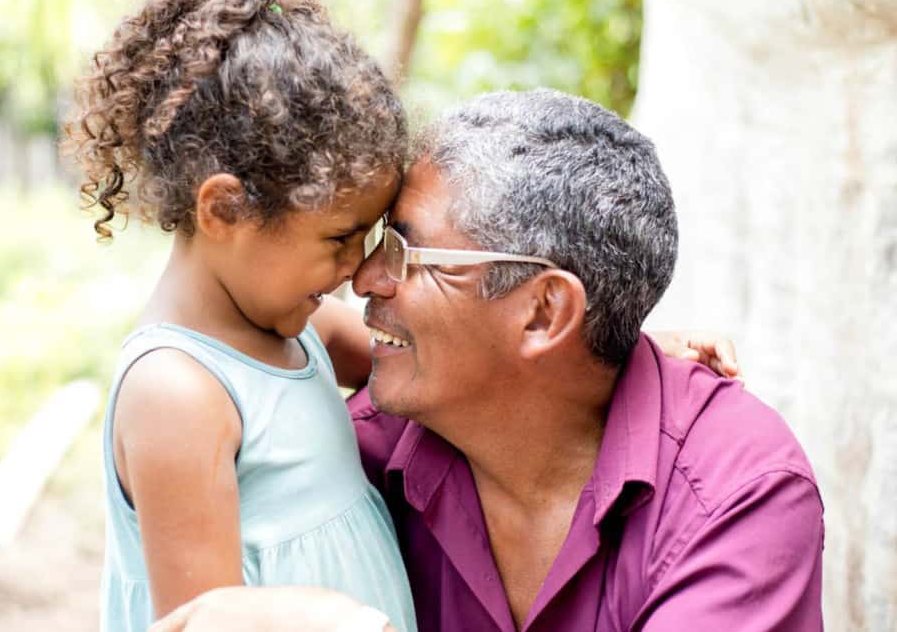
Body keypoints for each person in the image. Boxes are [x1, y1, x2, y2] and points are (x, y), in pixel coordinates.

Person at [152, 90, 823, 632]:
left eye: (406, 255)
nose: (363, 281)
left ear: (543, 313)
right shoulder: (360, 460)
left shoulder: (736, 493)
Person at [65, 0, 417, 632]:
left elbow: (429, 356)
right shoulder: (178, 392)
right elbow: (202, 620)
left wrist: (607, 352)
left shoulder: (300, 327)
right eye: (340, 238)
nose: (355, 267)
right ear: (225, 210)